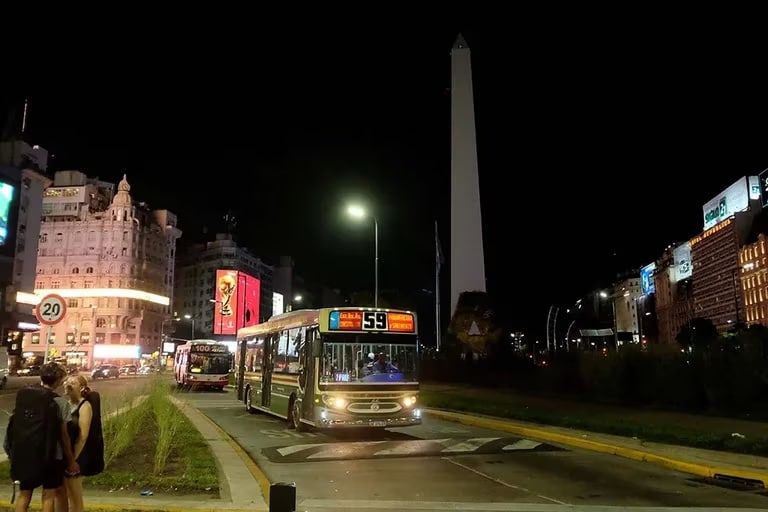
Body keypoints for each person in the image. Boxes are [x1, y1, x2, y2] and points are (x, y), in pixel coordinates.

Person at [11, 363, 79, 512]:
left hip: (26, 453)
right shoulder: (60, 402)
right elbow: (64, 435)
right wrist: (71, 460)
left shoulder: (25, 396)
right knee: (48, 495)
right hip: (51, 456)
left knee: (24, 495)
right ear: (59, 379)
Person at [62, 375, 103, 512]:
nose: (68, 384)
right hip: (65, 454)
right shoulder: (66, 404)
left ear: (82, 388)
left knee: (75, 496)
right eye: (67, 381)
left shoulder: (84, 406)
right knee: (64, 494)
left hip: (77, 455)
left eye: (73, 383)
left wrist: (73, 459)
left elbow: (83, 436)